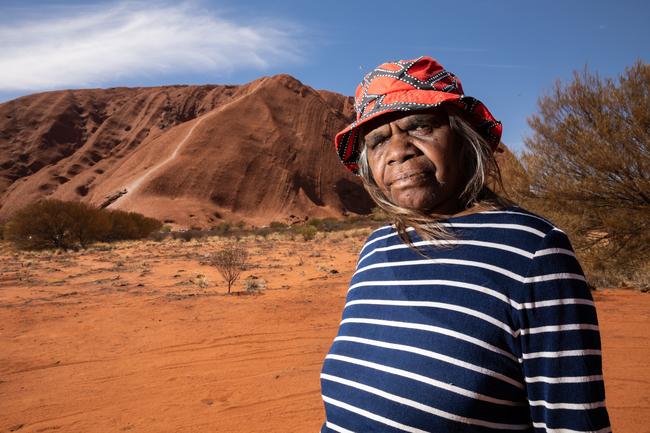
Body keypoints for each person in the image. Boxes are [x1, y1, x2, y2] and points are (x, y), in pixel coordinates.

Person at [319, 56, 611, 433]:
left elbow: (573, 425)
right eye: (376, 142)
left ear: (462, 135)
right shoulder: (376, 248)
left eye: (420, 126)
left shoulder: (535, 252)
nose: (397, 151)